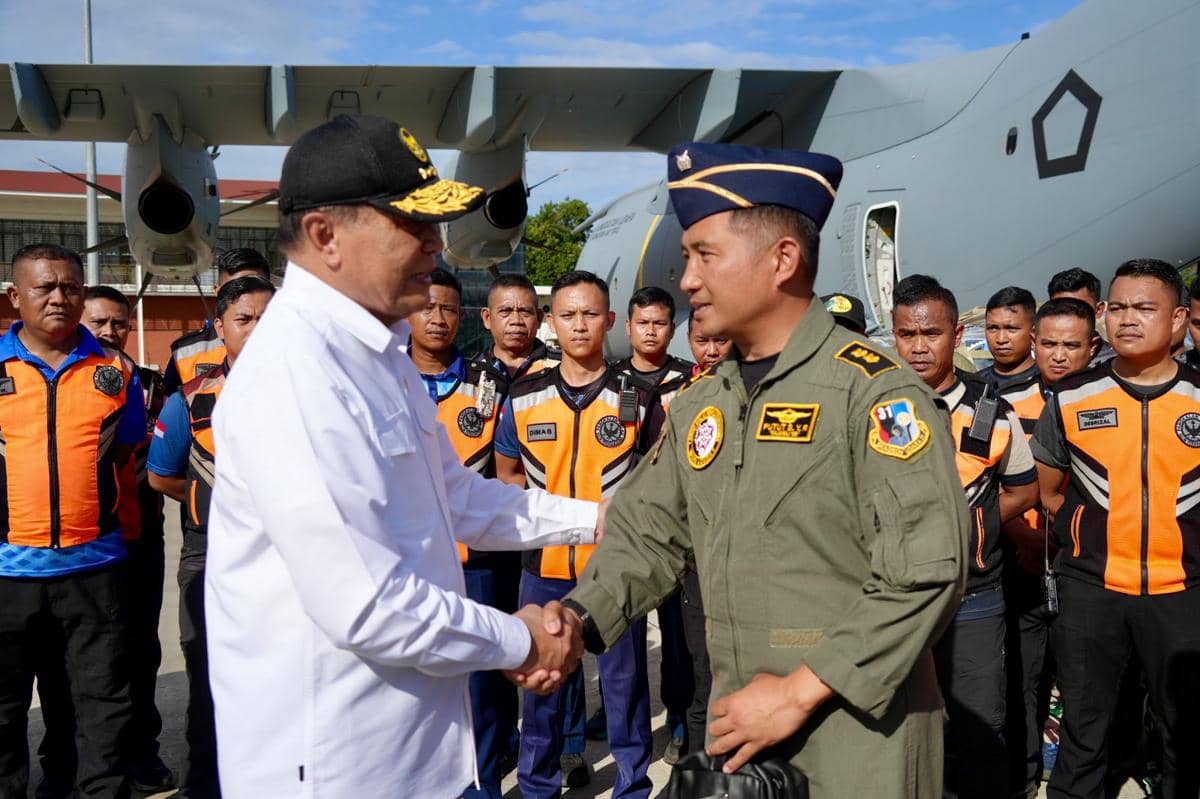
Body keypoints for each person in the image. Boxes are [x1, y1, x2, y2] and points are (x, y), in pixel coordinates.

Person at [542, 142, 969, 797]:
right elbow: (648, 529)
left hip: (857, 735)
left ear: (782, 260)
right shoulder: (704, 403)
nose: (686, 278)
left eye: (704, 254)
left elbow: (926, 571)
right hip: (741, 729)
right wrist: (574, 619)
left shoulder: (874, 393)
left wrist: (799, 691)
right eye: (686, 257)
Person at [203, 114, 597, 798]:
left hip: (420, 755)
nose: (435, 244)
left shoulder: (379, 355)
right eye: (412, 225)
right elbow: (368, 603)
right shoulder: (295, 374)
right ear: (326, 235)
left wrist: (599, 518)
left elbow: (461, 499)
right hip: (338, 769)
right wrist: (522, 639)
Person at [1034, 259, 1200, 799]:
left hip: (1185, 594)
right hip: (1092, 592)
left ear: (1177, 319)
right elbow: (1050, 491)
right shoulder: (1072, 396)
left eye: (1145, 308)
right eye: (1118, 307)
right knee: (1084, 735)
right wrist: (1086, 539)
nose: (1128, 319)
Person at [494, 270, 662, 799]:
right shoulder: (523, 397)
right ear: (551, 322)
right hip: (542, 571)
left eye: (591, 314)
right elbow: (507, 476)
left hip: (614, 573)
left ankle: (632, 786)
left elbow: (659, 477)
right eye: (567, 315)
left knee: (624, 687)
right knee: (540, 686)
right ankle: (537, 785)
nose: (580, 325)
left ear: (610, 321)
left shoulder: (638, 395)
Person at [0, 244, 146, 798]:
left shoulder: (115, 373)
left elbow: (130, 447)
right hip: (6, 575)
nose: (59, 297)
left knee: (102, 702)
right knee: (4, 709)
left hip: (95, 570)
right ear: (16, 296)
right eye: (44, 287)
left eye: (70, 287)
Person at [891, 274, 1039, 799]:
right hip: (895, 599)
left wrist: (969, 526)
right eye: (907, 334)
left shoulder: (992, 408)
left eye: (931, 333)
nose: (919, 347)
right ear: (893, 333)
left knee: (980, 728)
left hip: (975, 596)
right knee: (904, 732)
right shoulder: (870, 407)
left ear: (956, 334)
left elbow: (1023, 490)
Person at [32, 286, 174, 798]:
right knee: (63, 662)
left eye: (120, 323)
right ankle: (60, 761)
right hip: (82, 548)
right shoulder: (58, 382)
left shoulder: (153, 385)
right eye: (100, 323)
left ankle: (141, 753)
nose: (111, 332)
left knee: (139, 653)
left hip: (140, 543)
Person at [146, 275, 275, 798]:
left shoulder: (316, 395)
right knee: (208, 679)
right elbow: (162, 475)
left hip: (290, 559)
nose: (258, 330)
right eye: (245, 320)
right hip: (210, 555)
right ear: (219, 327)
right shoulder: (191, 399)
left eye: (269, 319)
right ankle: (206, 783)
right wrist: (220, 508)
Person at [404, 267, 522, 799]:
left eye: (448, 308)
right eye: (427, 306)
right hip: (408, 557)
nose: (437, 318)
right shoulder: (386, 379)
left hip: (479, 561)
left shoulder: (492, 384)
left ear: (463, 316)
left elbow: (504, 474)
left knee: (483, 679)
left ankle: (485, 782)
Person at [995, 297, 1097, 798]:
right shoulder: (1002, 404)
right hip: (1023, 562)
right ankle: (1025, 778)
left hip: (1085, 571)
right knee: (1022, 682)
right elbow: (990, 489)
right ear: (1034, 343)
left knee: (1083, 688)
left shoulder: (1103, 401)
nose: (1058, 356)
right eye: (1049, 344)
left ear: (1092, 347)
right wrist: (1023, 536)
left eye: (1071, 346)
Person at [610, 285, 695, 763]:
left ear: (671, 327)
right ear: (627, 327)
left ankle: (679, 718)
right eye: (642, 323)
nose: (650, 331)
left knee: (676, 633)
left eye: (660, 323)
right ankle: (623, 716)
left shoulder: (689, 379)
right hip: (624, 524)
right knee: (623, 632)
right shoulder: (613, 381)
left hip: (673, 526)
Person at [161, 248, 271, 396]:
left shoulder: (298, 350)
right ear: (217, 291)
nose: (247, 294)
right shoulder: (184, 352)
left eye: (256, 285)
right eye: (235, 288)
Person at [476, 273, 557, 379]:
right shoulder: (469, 374)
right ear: (487, 318)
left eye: (525, 311)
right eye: (505, 311)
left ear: (539, 318)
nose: (516, 320)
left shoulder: (562, 369)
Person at [979, 287, 1038, 388]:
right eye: (993, 328)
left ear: (1034, 333)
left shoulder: (1048, 385)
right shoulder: (975, 385)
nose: (1001, 339)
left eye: (1011, 329)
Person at [1048, 268, 1110, 363]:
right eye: (1060, 309)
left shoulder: (1118, 365)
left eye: (1079, 309)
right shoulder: (1040, 361)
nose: (1069, 318)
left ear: (1098, 310)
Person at [686, 310, 732, 375]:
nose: (712, 352)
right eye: (702, 341)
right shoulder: (679, 384)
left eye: (721, 340)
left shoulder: (747, 382)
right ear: (689, 340)